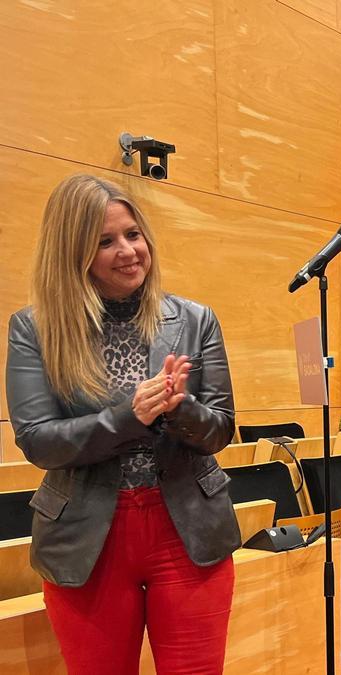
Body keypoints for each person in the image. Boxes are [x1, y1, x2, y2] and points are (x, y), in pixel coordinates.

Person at [6, 174, 241, 674]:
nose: (129, 250)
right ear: (73, 253)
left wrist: (179, 408)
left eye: (133, 234)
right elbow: (39, 441)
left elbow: (220, 428)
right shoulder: (35, 328)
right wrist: (128, 418)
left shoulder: (195, 319)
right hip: (87, 537)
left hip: (188, 531)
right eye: (105, 241)